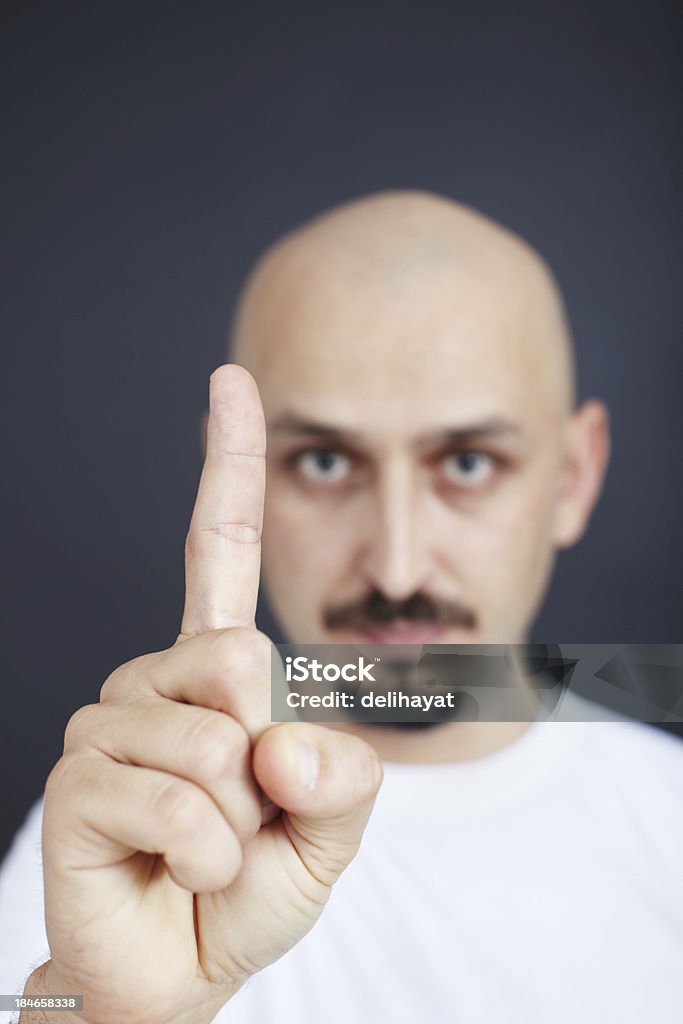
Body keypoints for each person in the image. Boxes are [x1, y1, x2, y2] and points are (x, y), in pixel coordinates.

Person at [1, 191, 681, 1024]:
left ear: (572, 478)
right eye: (323, 462)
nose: (395, 570)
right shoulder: (124, 837)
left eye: (468, 463)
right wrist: (95, 1016)